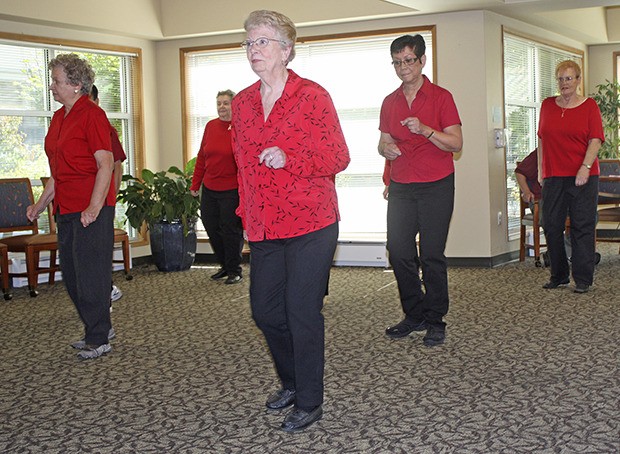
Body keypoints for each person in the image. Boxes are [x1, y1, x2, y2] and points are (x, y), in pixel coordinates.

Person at [231, 10, 350, 432]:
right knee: (264, 312)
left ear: (287, 50)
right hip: (264, 226)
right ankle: (291, 382)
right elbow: (243, 167)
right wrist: (247, 218)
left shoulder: (312, 96)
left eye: (262, 41)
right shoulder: (242, 104)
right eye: (248, 43)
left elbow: (339, 156)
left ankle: (310, 400)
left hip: (312, 223)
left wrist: (291, 158)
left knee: (301, 311)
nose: (253, 50)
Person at [27, 53, 116, 360]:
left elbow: (105, 164)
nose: (52, 87)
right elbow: (59, 169)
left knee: (91, 274)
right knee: (73, 274)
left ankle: (99, 336)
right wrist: (41, 203)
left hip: (91, 208)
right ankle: (98, 326)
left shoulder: (92, 115)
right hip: (65, 206)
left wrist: (93, 207)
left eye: (56, 81)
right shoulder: (59, 117)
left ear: (77, 84)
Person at [379, 34, 463, 347]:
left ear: (422, 61)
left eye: (409, 60)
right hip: (401, 184)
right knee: (398, 251)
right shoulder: (389, 101)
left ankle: (435, 319)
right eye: (398, 62)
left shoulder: (441, 97)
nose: (403, 67)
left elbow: (456, 144)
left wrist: (426, 130)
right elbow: (383, 140)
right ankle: (414, 315)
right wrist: (386, 150)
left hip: (436, 184)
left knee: (430, 254)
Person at [537, 60, 604, 294]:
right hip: (554, 175)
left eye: (569, 78)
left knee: (582, 226)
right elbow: (542, 139)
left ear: (578, 80)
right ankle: (559, 274)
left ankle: (583, 278)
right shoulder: (547, 106)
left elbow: (595, 139)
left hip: (583, 175)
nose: (564, 83)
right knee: (551, 224)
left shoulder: (589, 106)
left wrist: (585, 167)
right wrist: (540, 170)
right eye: (561, 79)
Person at [190, 90, 244, 285]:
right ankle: (224, 265)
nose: (222, 107)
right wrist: (195, 184)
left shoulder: (241, 127)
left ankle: (234, 269)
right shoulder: (211, 126)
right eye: (219, 103)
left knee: (230, 230)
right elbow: (202, 157)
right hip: (210, 188)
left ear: (234, 105)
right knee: (212, 227)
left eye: (226, 103)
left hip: (232, 189)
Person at [90, 84, 126, 304]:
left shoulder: (103, 126)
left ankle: (106, 291)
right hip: (79, 203)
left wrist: (108, 197)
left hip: (102, 202)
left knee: (98, 250)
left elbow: (116, 165)